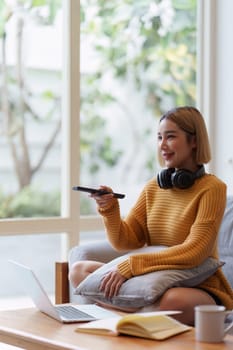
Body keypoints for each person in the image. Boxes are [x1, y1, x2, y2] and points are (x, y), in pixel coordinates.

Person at [69, 106, 233, 326]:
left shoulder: (212, 188)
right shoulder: (153, 188)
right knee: (79, 271)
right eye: (159, 137)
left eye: (171, 137)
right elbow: (126, 241)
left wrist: (132, 266)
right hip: (151, 281)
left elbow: (195, 251)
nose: (162, 145)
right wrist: (110, 209)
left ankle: (113, 312)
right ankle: (142, 317)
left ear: (194, 141)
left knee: (173, 301)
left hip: (197, 286)